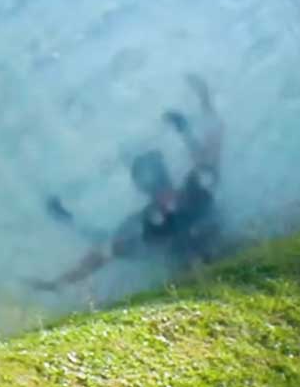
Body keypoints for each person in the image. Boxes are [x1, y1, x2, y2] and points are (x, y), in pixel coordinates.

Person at [30, 75, 223, 291]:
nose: (163, 195)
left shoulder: (194, 190)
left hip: (214, 245)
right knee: (105, 236)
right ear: (145, 190)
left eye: (160, 183)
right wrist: (57, 282)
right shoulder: (147, 224)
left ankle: (66, 219)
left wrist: (196, 112)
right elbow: (101, 254)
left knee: (109, 236)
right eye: (155, 187)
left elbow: (211, 146)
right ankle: (66, 218)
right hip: (180, 262)